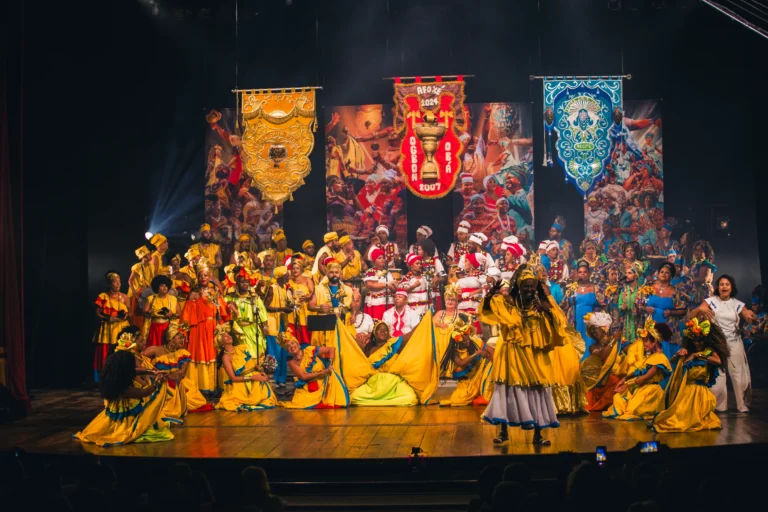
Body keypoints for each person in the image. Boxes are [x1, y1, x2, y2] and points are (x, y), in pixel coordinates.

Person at [480, 264, 569, 446]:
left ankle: (538, 435)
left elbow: (559, 322)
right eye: (526, 285)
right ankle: (503, 432)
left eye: (532, 285)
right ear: (518, 286)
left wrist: (544, 310)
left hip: (534, 355)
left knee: (536, 391)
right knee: (508, 391)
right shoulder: (509, 303)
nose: (529, 289)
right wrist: (490, 293)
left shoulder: (542, 305)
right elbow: (490, 308)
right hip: (511, 354)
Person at [75, 349, 174, 446]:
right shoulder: (125, 389)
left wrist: (152, 372)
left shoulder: (115, 375)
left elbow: (135, 371)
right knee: (150, 429)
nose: (133, 367)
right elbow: (144, 393)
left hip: (118, 407)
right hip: (126, 419)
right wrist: (157, 384)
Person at [691, 274, 756, 413]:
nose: (724, 286)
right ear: (717, 287)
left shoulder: (737, 304)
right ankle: (719, 405)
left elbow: (748, 317)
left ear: (731, 287)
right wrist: (699, 310)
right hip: (717, 342)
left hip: (734, 342)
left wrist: (751, 316)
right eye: (721, 284)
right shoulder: (710, 301)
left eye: (727, 284)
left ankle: (741, 405)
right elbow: (692, 316)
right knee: (719, 373)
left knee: (737, 373)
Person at [653, 318, 729, 432]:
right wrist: (679, 353)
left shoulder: (708, 352)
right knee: (677, 417)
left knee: (690, 419)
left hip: (699, 393)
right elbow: (672, 360)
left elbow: (718, 361)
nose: (697, 343)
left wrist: (699, 355)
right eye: (695, 340)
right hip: (685, 391)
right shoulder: (688, 352)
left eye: (700, 340)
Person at [602, 318, 673, 421]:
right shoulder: (649, 357)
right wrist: (624, 379)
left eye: (646, 341)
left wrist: (626, 385)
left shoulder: (659, 359)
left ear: (655, 341)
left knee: (633, 410)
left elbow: (643, 378)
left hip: (652, 393)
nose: (644, 344)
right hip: (643, 389)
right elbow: (638, 372)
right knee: (620, 400)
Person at [180, 262, 229, 394]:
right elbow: (186, 316)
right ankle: (200, 386)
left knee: (213, 354)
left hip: (212, 327)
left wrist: (221, 326)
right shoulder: (193, 294)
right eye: (200, 275)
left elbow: (222, 311)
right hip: (198, 329)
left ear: (210, 277)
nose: (203, 278)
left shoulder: (215, 292)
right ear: (197, 277)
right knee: (199, 353)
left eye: (206, 275)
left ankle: (213, 386)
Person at [144, 323, 210, 414]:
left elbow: (182, 373)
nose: (183, 340)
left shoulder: (182, 353)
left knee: (197, 400)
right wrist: (153, 372)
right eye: (180, 338)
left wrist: (168, 377)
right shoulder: (155, 350)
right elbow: (140, 359)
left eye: (183, 338)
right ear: (171, 338)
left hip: (177, 382)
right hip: (159, 381)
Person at [216, 325, 278, 411]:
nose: (228, 336)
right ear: (221, 342)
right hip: (242, 383)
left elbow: (251, 363)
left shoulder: (240, 348)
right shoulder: (226, 357)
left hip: (255, 377)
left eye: (228, 334)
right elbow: (233, 378)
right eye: (224, 336)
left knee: (269, 400)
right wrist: (253, 378)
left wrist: (260, 370)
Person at [279, 333, 347, 409]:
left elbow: (331, 349)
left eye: (292, 343)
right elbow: (303, 376)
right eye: (288, 346)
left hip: (325, 381)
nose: (291, 346)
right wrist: (322, 372)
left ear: (298, 344)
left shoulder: (309, 350)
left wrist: (330, 364)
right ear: (287, 350)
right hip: (308, 386)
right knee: (299, 402)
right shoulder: (291, 363)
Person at [439, 316, 494, 406]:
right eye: (465, 341)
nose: (468, 341)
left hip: (479, 375)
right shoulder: (454, 351)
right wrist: (476, 354)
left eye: (468, 337)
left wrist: (490, 358)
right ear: (458, 340)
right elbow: (461, 363)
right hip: (466, 382)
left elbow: (490, 349)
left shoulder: (474, 340)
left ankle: (486, 394)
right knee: (461, 398)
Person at [580, 312, 623, 412]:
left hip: (612, 379)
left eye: (595, 330)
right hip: (598, 380)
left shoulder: (617, 341)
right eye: (592, 331)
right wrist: (614, 340)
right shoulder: (593, 347)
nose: (594, 333)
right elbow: (602, 355)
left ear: (604, 328)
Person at [643, 262, 686, 361]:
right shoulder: (648, 287)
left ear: (671, 276)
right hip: (651, 325)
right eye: (661, 272)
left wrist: (671, 313)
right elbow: (639, 303)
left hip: (669, 327)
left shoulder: (676, 292)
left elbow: (683, 310)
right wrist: (645, 308)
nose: (663, 274)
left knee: (667, 354)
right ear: (658, 274)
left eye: (667, 272)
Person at [562, 261, 605, 359]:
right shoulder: (572, 288)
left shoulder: (595, 288)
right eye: (580, 272)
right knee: (575, 343)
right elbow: (564, 304)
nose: (582, 274)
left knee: (589, 341)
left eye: (585, 272)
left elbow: (604, 304)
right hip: (575, 321)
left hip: (590, 322)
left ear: (589, 273)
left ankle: (588, 364)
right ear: (577, 273)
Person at [93, 271, 131, 382]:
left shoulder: (125, 297)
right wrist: (108, 318)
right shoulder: (103, 296)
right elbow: (97, 313)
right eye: (115, 282)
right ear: (110, 283)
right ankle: (105, 378)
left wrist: (126, 315)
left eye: (119, 282)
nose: (118, 284)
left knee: (122, 352)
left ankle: (121, 377)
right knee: (106, 353)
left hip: (121, 327)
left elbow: (130, 314)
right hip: (107, 329)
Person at [307, 258, 353, 346]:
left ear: (340, 274)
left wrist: (354, 313)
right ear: (327, 274)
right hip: (324, 324)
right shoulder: (318, 289)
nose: (334, 274)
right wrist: (319, 307)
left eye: (337, 272)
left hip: (342, 323)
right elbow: (310, 306)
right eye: (331, 272)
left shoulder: (348, 290)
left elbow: (355, 305)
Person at [226, 272, 268, 360]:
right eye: (242, 282)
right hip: (237, 331)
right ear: (237, 284)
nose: (245, 284)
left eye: (247, 282)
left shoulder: (254, 298)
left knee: (255, 354)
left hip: (252, 329)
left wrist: (265, 326)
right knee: (242, 356)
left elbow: (262, 314)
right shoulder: (231, 297)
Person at [263, 266, 294, 389]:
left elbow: (286, 305)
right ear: (280, 276)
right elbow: (265, 306)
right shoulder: (272, 288)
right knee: (274, 352)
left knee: (282, 352)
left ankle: (281, 379)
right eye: (286, 274)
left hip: (281, 324)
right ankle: (273, 379)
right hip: (272, 324)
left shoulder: (283, 288)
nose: (288, 276)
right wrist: (282, 309)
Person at [143, 275, 181, 347]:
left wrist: (172, 314)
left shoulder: (173, 299)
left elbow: (179, 314)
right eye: (162, 286)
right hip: (154, 328)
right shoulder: (151, 298)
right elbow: (145, 313)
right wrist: (150, 312)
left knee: (165, 348)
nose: (165, 288)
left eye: (166, 286)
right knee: (153, 347)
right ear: (157, 287)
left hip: (167, 328)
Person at [617, 261, 648, 345]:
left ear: (636, 275)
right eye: (626, 273)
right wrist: (621, 308)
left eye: (630, 273)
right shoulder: (623, 290)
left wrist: (639, 310)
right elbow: (619, 306)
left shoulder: (642, 291)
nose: (626, 275)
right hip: (626, 322)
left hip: (638, 323)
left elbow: (646, 306)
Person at [362, 246, 397, 320]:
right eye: (379, 258)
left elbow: (393, 289)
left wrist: (395, 286)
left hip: (388, 301)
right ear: (374, 260)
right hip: (377, 302)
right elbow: (370, 285)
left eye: (383, 258)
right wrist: (387, 285)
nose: (382, 260)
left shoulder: (388, 272)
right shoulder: (371, 271)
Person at [127, 245, 155, 329]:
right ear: (144, 257)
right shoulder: (137, 266)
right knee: (138, 316)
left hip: (148, 292)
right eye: (148, 254)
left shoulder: (151, 266)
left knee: (148, 314)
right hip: (138, 293)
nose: (150, 255)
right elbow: (130, 281)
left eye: (149, 254)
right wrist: (135, 295)